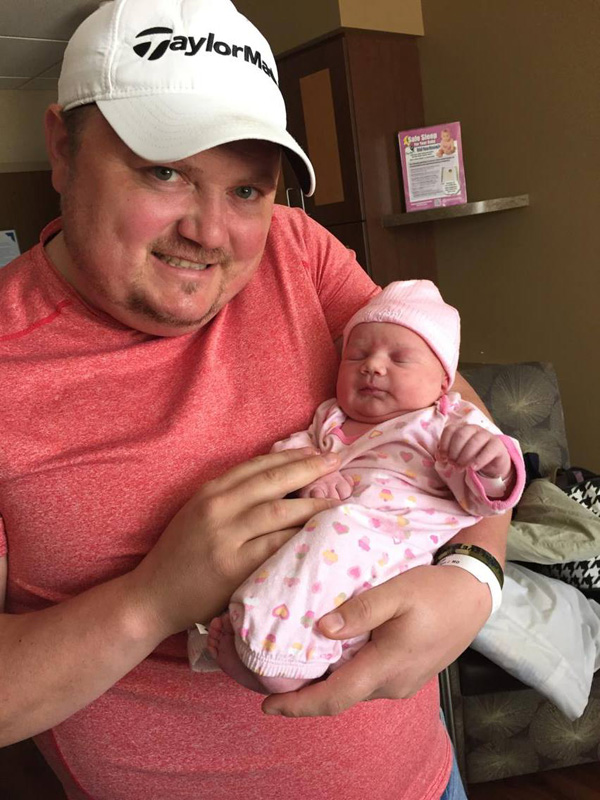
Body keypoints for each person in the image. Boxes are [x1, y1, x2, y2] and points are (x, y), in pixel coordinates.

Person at [0, 1, 509, 798]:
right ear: (62, 148)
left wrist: (477, 575)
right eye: (164, 171)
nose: (210, 232)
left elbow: (438, 392)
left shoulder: (296, 250)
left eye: (246, 188)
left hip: (423, 782)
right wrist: (151, 601)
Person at [206, 281, 524, 694]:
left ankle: (281, 658)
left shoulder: (446, 424)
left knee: (341, 542)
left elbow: (485, 496)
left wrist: (492, 463)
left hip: (396, 544)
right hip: (326, 539)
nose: (372, 366)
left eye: (399, 358)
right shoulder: (330, 419)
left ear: (443, 382)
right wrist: (315, 477)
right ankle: (265, 642)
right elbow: (288, 455)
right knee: (298, 550)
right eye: (356, 355)